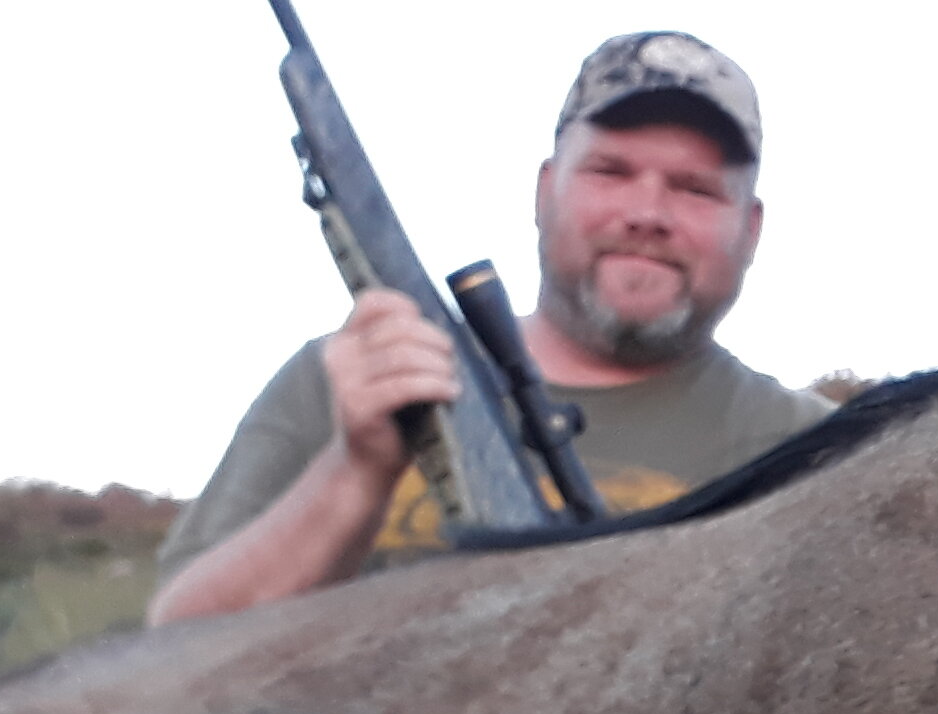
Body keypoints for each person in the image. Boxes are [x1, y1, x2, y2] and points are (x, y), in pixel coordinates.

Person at [150, 33, 832, 623]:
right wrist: (355, 471)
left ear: (751, 227)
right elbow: (171, 656)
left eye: (694, 188)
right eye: (610, 172)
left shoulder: (820, 452)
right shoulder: (347, 380)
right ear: (545, 189)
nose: (646, 212)